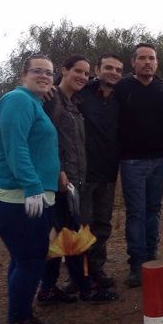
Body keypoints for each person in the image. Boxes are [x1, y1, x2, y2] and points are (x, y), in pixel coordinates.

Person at [0, 54, 60, 324]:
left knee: (23, 259)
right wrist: (31, 186)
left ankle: (24, 316)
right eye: (38, 71)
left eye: (49, 73)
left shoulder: (34, 103)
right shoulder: (17, 100)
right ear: (23, 74)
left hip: (30, 195)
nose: (44, 76)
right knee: (30, 261)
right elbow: (16, 148)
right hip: (16, 197)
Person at [37, 55, 118, 304]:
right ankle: (85, 287)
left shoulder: (75, 102)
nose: (82, 77)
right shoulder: (52, 100)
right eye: (77, 72)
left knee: (65, 234)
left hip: (76, 179)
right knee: (70, 233)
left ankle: (49, 289)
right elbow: (43, 138)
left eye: (85, 74)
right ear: (64, 71)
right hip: (60, 180)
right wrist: (59, 170)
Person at [114, 43, 163, 287]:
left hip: (160, 159)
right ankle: (136, 265)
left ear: (157, 63)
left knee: (154, 210)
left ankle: (151, 259)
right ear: (133, 62)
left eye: (152, 58)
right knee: (136, 213)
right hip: (131, 161)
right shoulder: (121, 87)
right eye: (143, 58)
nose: (148, 62)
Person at [76, 53, 123, 288]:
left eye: (117, 69)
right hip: (83, 173)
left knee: (102, 225)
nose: (113, 72)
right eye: (109, 68)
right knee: (81, 225)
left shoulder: (121, 97)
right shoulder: (81, 94)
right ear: (98, 69)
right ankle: (78, 276)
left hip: (107, 172)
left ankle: (97, 269)